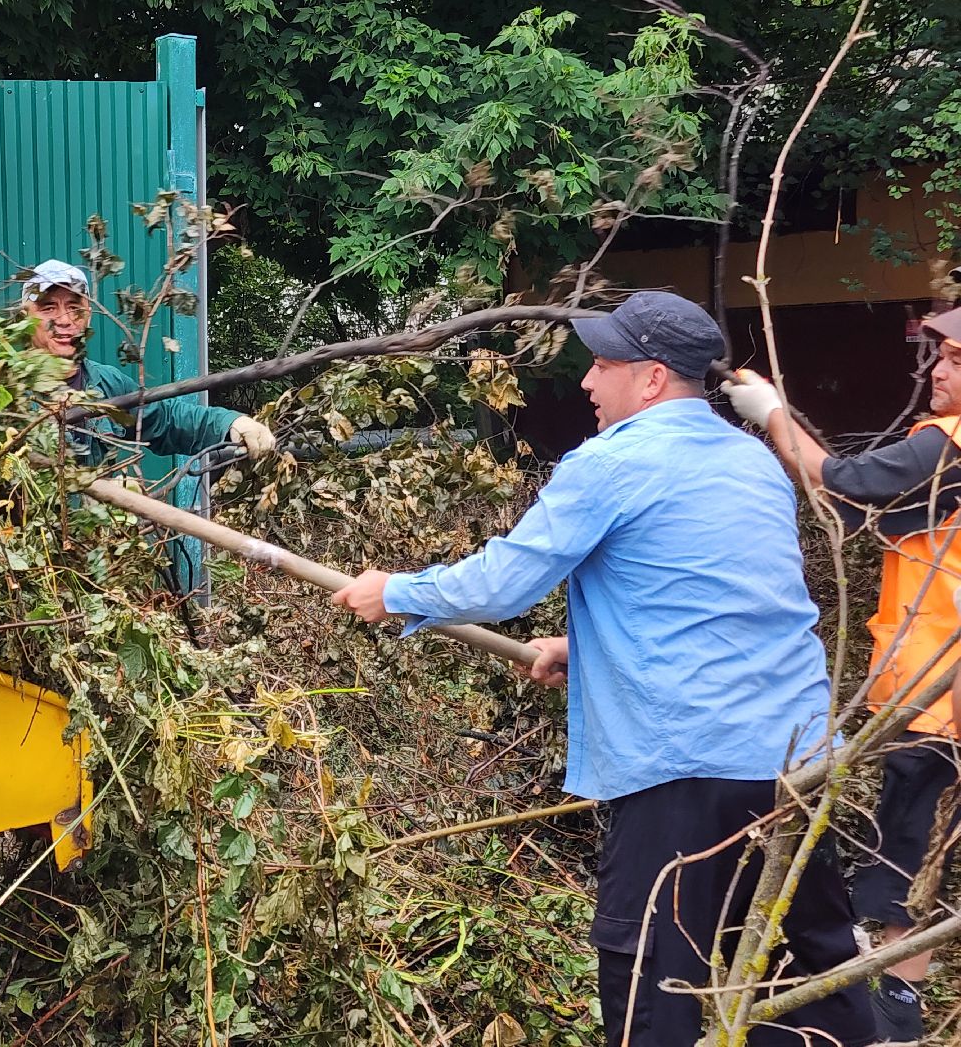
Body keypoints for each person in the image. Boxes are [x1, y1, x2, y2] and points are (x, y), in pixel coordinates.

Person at [331, 291, 876, 1047]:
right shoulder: (752, 462)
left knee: (654, 979)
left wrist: (396, 592)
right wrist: (581, 647)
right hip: (795, 757)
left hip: (683, 766)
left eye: (603, 363)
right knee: (807, 967)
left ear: (651, 379)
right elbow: (719, 602)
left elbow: (504, 581)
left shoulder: (614, 461)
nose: (588, 382)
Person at [723, 309, 961, 1044]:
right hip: (935, 689)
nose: (936, 372)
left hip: (939, 697)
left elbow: (846, 481)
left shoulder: (948, 446)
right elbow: (885, 516)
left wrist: (771, 413)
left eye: (953, 359)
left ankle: (898, 1004)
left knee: (910, 856)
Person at [20, 259, 273, 468]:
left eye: (74, 307)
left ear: (88, 315)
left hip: (95, 528)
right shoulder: (3, 388)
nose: (64, 320)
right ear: (24, 317)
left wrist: (230, 423)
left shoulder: (106, 384)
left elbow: (167, 419)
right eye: (48, 308)